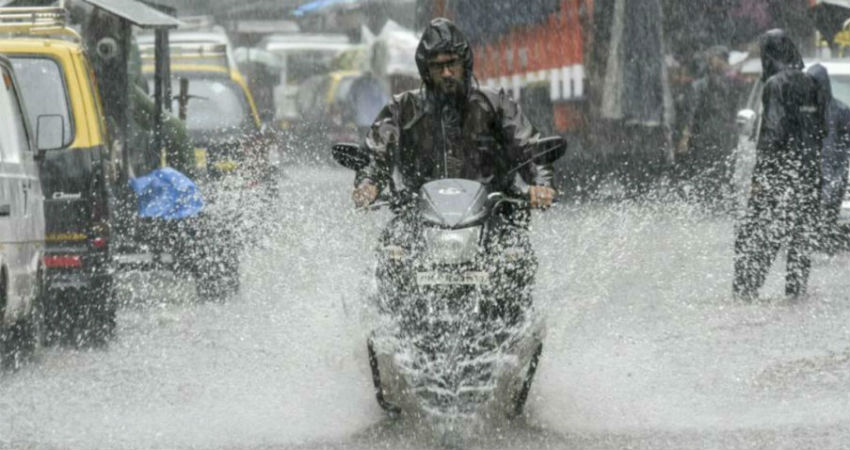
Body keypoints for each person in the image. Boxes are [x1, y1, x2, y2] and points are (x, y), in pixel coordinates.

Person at [352, 17, 556, 210]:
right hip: (417, 213)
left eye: (452, 63)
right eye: (438, 66)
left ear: (464, 63)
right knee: (394, 247)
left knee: (513, 247)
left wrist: (541, 183)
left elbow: (528, 148)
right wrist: (368, 183)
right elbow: (376, 152)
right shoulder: (402, 108)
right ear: (426, 70)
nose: (447, 73)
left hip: (494, 212)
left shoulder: (496, 103)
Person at [733, 29, 827, 300]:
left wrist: (760, 180)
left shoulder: (775, 85)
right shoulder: (812, 83)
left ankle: (745, 294)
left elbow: (773, 133)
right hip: (809, 174)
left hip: (779, 176)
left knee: (757, 235)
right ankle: (795, 298)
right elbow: (822, 129)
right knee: (800, 242)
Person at [676, 45, 746, 204]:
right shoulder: (701, 84)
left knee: (725, 171)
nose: (713, 62)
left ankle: (720, 200)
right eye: (711, 58)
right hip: (705, 134)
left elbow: (735, 103)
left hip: (725, 134)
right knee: (704, 170)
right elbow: (691, 113)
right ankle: (704, 200)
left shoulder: (732, 81)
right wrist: (686, 137)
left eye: (716, 58)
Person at [807, 64, 850, 253]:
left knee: (828, 218)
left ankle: (826, 248)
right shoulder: (804, 111)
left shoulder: (841, 110)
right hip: (810, 172)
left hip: (836, 172)